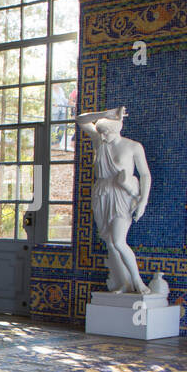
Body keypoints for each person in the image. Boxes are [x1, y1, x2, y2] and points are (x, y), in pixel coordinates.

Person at [75, 106, 150, 294]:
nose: (102, 136)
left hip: (121, 195)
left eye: (106, 133)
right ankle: (123, 282)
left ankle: (138, 281)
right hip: (102, 193)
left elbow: (145, 175)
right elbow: (80, 120)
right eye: (101, 132)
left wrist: (143, 201)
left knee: (118, 241)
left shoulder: (133, 146)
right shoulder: (99, 142)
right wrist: (104, 115)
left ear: (116, 130)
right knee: (110, 242)